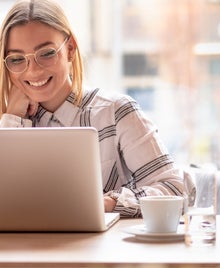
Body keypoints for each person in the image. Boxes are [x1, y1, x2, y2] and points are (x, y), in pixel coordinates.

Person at [0, 0, 193, 217]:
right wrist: (12, 120)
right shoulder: (9, 121)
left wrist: (107, 203)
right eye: (17, 59)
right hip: (25, 250)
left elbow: (176, 190)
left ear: (70, 49)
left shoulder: (116, 112)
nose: (33, 71)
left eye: (46, 53)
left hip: (103, 250)